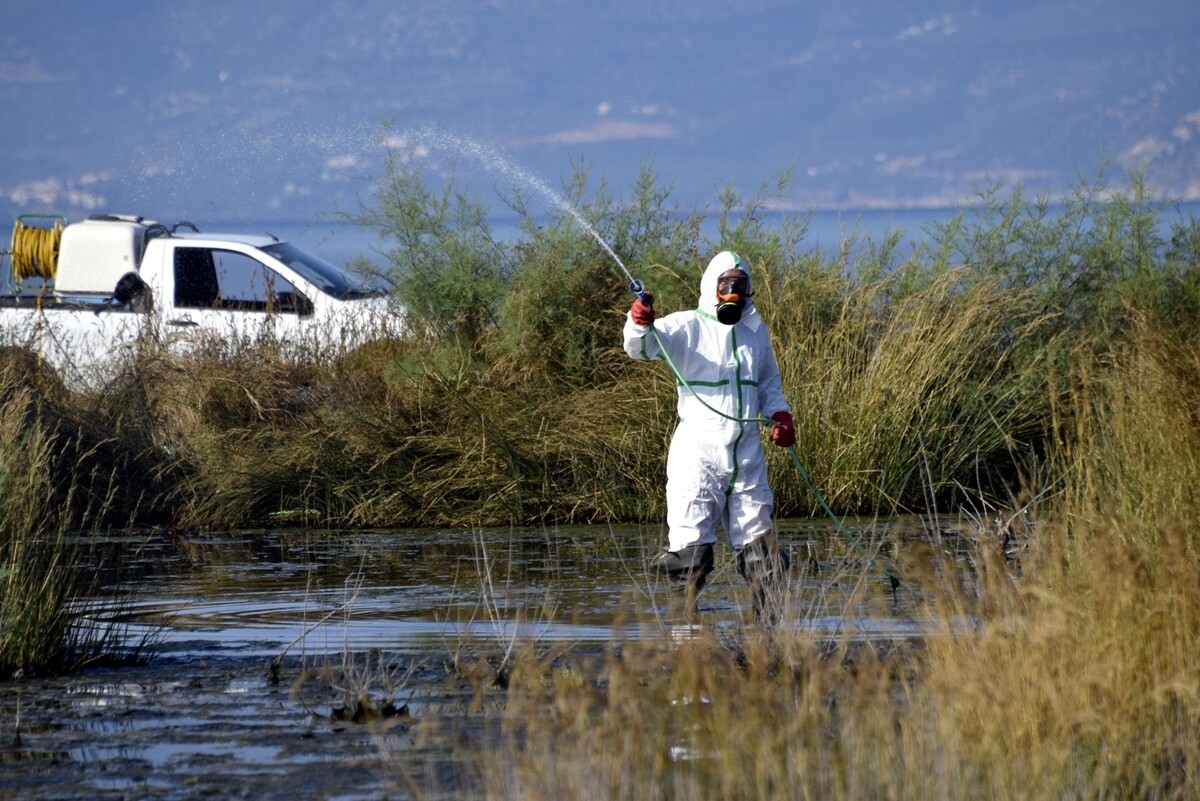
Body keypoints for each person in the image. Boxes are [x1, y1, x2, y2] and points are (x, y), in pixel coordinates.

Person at [623, 250, 795, 623]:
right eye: (725, 284)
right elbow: (642, 347)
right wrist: (639, 321)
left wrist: (780, 415)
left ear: (749, 290)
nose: (732, 291)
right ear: (711, 287)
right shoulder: (687, 327)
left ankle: (768, 635)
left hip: (747, 454)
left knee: (762, 552)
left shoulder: (755, 331)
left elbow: (768, 383)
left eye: (740, 284)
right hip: (698, 455)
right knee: (690, 553)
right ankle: (685, 638)